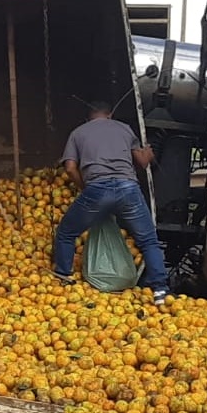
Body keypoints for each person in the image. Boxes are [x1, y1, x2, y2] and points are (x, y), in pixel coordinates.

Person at [51, 102, 170, 306]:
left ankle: (63, 277)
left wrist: (84, 188)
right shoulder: (124, 128)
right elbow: (142, 161)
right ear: (110, 114)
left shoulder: (78, 132)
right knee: (149, 240)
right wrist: (149, 153)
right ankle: (160, 291)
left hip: (97, 189)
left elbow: (70, 168)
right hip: (128, 189)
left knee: (66, 233)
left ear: (88, 117)